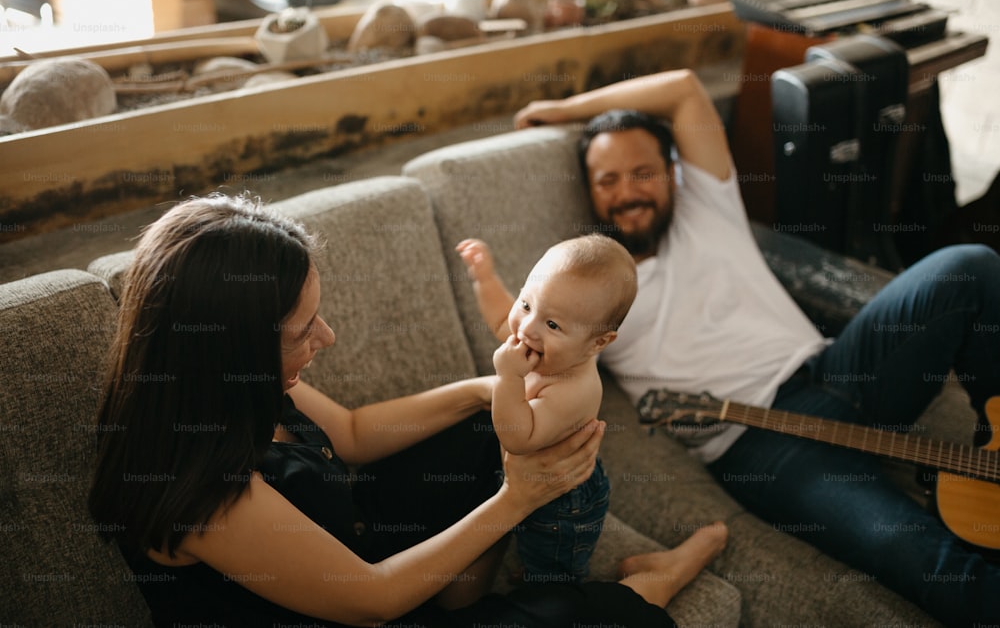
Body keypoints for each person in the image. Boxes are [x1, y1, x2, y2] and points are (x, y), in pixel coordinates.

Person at [87, 193, 728, 628]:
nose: (327, 338)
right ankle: (653, 583)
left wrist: (489, 391)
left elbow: (357, 434)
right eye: (304, 329)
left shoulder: (238, 386)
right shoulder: (200, 490)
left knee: (487, 424)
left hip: (355, 537)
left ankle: (461, 590)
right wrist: (519, 499)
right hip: (364, 598)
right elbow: (371, 600)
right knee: (599, 615)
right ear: (234, 346)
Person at [513, 68, 1000, 626]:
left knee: (969, 267)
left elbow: (684, 89)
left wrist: (563, 107)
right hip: (762, 445)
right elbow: (525, 343)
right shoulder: (586, 301)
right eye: (607, 180)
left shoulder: (708, 208)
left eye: (642, 172)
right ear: (591, 191)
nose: (626, 191)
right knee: (914, 552)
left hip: (838, 370)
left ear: (673, 173)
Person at [457, 234, 638, 583]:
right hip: (529, 480)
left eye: (553, 325)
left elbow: (518, 437)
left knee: (551, 569)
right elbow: (501, 321)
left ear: (597, 342)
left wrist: (508, 378)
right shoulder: (536, 336)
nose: (526, 329)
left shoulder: (574, 389)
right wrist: (485, 279)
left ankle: (550, 581)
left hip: (564, 504)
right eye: (526, 304)